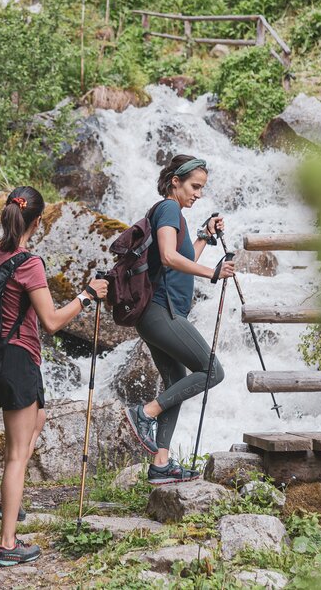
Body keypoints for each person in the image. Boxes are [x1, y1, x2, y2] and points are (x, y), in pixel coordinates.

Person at [0, 186, 108, 568]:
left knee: (39, 419)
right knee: (17, 454)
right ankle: (7, 544)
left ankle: (9, 503)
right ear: (38, 222)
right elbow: (51, 322)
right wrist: (86, 296)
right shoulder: (27, 262)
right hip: (18, 358)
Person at [124, 155, 235, 483]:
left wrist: (205, 235)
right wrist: (214, 273)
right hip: (162, 312)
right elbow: (171, 259)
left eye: (202, 188)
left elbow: (183, 257)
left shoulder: (171, 215)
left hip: (155, 315)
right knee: (212, 371)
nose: (199, 193)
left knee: (176, 382)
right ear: (176, 181)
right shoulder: (169, 208)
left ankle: (161, 464)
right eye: (194, 186)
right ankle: (144, 413)